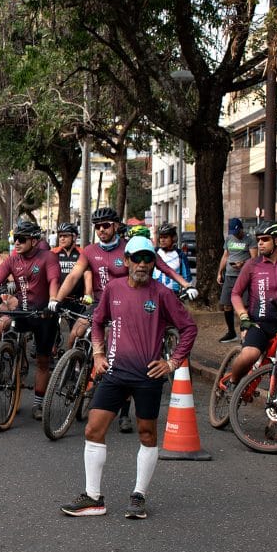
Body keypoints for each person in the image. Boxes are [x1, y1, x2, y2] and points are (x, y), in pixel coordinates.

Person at [60, 236, 197, 519]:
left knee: (147, 434)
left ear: (153, 263)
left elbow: (189, 328)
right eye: (137, 258)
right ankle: (93, 498)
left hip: (148, 375)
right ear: (127, 261)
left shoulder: (163, 294)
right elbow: (98, 322)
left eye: (148, 259)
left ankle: (138, 495)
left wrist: (171, 363)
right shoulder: (114, 288)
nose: (143, 264)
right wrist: (99, 355)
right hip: (115, 372)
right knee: (93, 430)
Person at [55, 207, 193, 431]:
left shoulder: (133, 248)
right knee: (76, 332)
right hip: (101, 303)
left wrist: (186, 284)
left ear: (116, 226)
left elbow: (165, 268)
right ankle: (76, 370)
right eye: (97, 226)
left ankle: (125, 412)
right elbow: (73, 276)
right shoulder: (90, 251)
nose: (101, 230)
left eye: (105, 225)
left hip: (130, 305)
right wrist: (55, 300)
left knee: (123, 348)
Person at [218, 221, 277, 441]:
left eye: (265, 240)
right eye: (258, 240)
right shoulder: (252, 265)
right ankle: (234, 383)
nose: (260, 244)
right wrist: (243, 316)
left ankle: (274, 425)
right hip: (257, 323)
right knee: (250, 354)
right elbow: (235, 294)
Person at [0, 220, 61, 421]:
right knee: (6, 331)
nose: (16, 243)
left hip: (44, 314)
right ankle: (8, 364)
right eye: (14, 239)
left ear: (34, 241)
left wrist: (53, 301)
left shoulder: (48, 257)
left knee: (43, 361)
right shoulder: (13, 260)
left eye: (21, 239)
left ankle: (38, 403)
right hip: (23, 311)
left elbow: (53, 280)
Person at [53, 223, 93, 350]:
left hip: (77, 300)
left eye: (65, 236)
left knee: (77, 335)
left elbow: (87, 276)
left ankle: (75, 355)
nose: (62, 238)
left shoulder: (83, 254)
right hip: (58, 298)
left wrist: (88, 294)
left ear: (74, 237)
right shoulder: (53, 253)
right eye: (60, 236)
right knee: (50, 328)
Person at [217, 217, 257, 342]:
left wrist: (243, 264)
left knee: (244, 307)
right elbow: (225, 256)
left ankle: (245, 334)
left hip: (244, 276)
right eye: (233, 232)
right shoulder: (229, 238)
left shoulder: (250, 239)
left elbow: (254, 259)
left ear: (241, 229)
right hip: (230, 275)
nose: (235, 235)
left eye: (237, 232)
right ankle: (231, 332)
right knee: (227, 305)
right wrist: (220, 272)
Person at [152, 222, 192, 293]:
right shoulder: (154, 253)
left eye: (165, 237)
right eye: (161, 237)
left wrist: (188, 289)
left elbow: (187, 277)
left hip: (174, 294)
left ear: (173, 238)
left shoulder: (180, 255)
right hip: (155, 294)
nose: (162, 240)